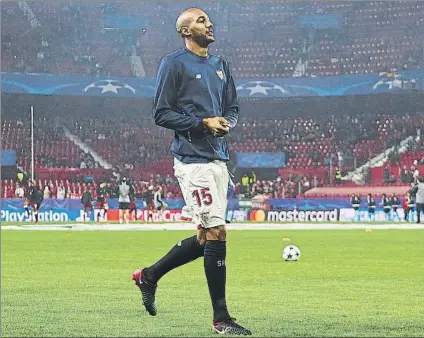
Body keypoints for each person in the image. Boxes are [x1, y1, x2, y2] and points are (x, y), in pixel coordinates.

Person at [132, 8, 251, 336]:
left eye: (208, 20)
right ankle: (221, 319)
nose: (208, 23)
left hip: (218, 160)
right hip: (192, 160)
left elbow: (233, 107)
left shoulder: (221, 65)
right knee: (217, 233)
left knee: (205, 238)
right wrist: (202, 123)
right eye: (200, 20)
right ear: (185, 31)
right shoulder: (174, 63)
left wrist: (227, 122)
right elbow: (161, 113)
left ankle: (149, 275)